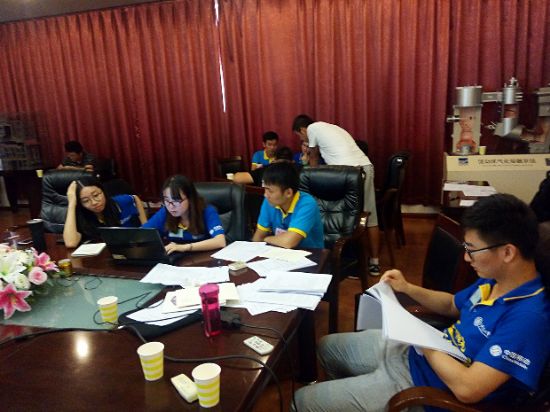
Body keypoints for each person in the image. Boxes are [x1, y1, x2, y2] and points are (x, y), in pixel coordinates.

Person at [293, 194, 550, 411]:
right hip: (421, 353)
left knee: (301, 401)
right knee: (327, 347)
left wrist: (423, 340)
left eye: (472, 249)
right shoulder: (496, 279)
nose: (466, 257)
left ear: (507, 252)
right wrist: (407, 288)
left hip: (424, 388)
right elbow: (452, 305)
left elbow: (468, 389)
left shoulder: (529, 318)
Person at [292, 114, 381, 276]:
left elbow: (313, 160)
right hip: (365, 167)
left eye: (300, 136)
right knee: (369, 216)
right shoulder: (331, 127)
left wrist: (310, 176)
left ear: (303, 129)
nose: (303, 140)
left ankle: (353, 262)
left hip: (350, 173)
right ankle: (374, 262)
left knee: (350, 217)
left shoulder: (312, 129)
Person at [142, 175, 226, 254]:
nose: (171, 206)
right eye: (167, 200)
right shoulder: (165, 212)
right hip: (176, 259)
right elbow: (142, 234)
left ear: (190, 198)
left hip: (204, 257)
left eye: (176, 200)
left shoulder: (207, 210)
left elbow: (220, 241)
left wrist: (184, 247)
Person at [252, 162, 324, 249]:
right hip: (280, 252)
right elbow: (258, 237)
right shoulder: (269, 201)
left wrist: (266, 239)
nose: (265, 195)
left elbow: (289, 242)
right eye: (265, 189)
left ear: (288, 193)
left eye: (270, 191)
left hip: (311, 254)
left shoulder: (307, 203)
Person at [63, 175, 147, 247]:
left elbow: (134, 198)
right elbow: (71, 243)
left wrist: (145, 226)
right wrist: (71, 203)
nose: (94, 202)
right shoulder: (80, 217)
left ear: (103, 190)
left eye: (96, 195)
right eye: (85, 201)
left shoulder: (119, 202)